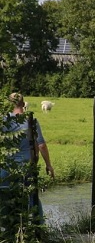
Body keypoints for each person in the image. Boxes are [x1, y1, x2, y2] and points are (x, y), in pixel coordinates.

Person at [1, 93, 55, 223]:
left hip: (6, 168)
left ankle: (9, 229)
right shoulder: (31, 121)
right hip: (27, 167)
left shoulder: (3, 121)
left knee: (5, 199)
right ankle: (38, 228)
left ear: (9, 104)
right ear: (23, 103)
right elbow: (41, 145)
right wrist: (48, 165)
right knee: (32, 198)